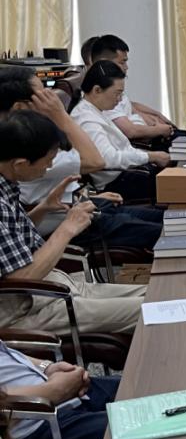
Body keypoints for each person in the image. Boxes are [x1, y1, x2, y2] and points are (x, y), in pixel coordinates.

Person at [0, 110, 145, 335]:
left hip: (48, 287)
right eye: (47, 162)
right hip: (22, 309)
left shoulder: (7, 184)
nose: (49, 167)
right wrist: (67, 228)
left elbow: (11, 244)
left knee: (157, 295)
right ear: (20, 164)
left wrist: (44, 208)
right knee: (148, 310)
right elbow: (21, 278)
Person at [0, 67, 162, 249]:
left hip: (73, 207)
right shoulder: (22, 146)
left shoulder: (33, 132)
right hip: (64, 224)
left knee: (165, 219)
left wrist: (86, 198)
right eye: (43, 95)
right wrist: (60, 114)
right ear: (20, 108)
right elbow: (96, 161)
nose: (52, 98)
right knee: (165, 231)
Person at [0, 340, 119, 439]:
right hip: (33, 428)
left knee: (136, 388)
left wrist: (47, 367)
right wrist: (54, 390)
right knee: (133, 426)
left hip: (55, 390)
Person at [71, 61, 170, 201]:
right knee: (180, 185)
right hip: (117, 183)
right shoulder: (87, 121)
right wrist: (151, 156)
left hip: (127, 172)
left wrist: (149, 156)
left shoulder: (95, 110)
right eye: (117, 93)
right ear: (97, 90)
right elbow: (108, 159)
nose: (119, 100)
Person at [88, 34, 176, 143]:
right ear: (104, 62)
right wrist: (159, 130)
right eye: (122, 62)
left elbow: (130, 106)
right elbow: (130, 131)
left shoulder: (113, 87)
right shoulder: (105, 95)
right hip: (140, 144)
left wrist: (156, 116)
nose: (126, 67)